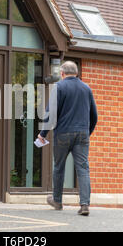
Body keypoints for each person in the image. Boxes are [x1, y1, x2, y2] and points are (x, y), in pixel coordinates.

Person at [38, 61, 98, 216]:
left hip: (63, 134)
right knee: (83, 169)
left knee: (59, 167)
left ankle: (57, 201)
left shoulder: (59, 87)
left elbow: (50, 113)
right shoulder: (87, 88)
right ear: (76, 73)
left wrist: (42, 134)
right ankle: (84, 204)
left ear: (63, 74)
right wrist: (86, 132)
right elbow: (94, 116)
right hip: (82, 134)